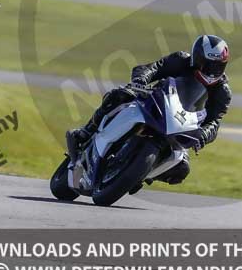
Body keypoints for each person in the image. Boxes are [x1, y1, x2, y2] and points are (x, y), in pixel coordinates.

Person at [67, 35, 231, 188]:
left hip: (182, 125)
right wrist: (140, 80)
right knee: (119, 95)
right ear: (197, 58)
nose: (212, 70)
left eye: (218, 66)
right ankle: (86, 132)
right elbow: (153, 68)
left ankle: (142, 173)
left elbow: (215, 121)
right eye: (208, 64)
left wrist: (204, 134)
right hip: (155, 102)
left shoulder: (222, 91)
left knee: (181, 170)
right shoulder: (181, 60)